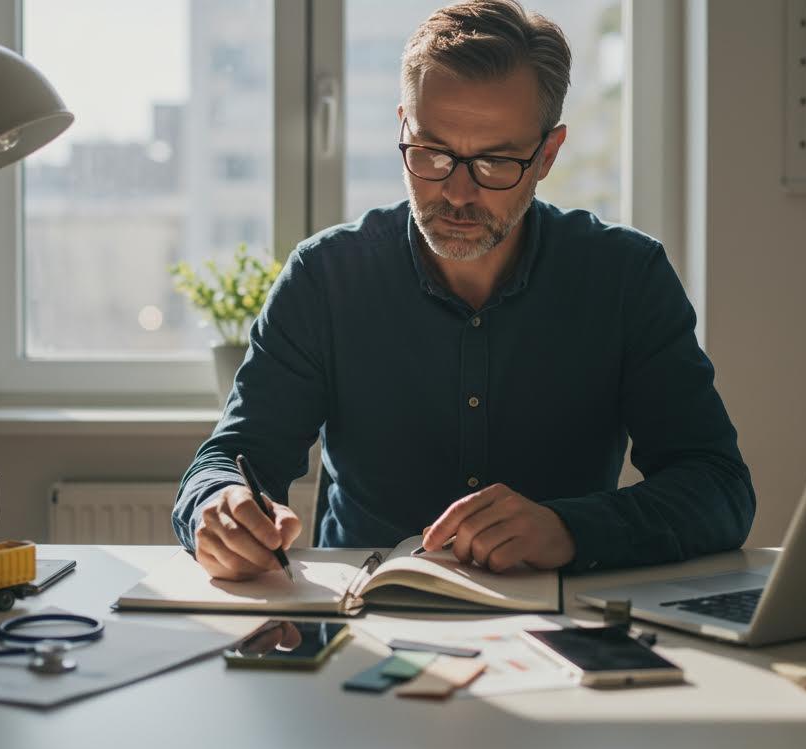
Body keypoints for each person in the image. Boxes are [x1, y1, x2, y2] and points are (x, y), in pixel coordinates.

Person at [172, 0, 755, 581]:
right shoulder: (326, 276)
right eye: (432, 153)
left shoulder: (627, 277)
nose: (456, 193)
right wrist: (217, 506)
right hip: (364, 624)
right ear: (404, 126)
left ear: (548, 154)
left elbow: (718, 486)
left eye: (496, 162)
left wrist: (570, 529)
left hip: (560, 631)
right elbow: (231, 456)